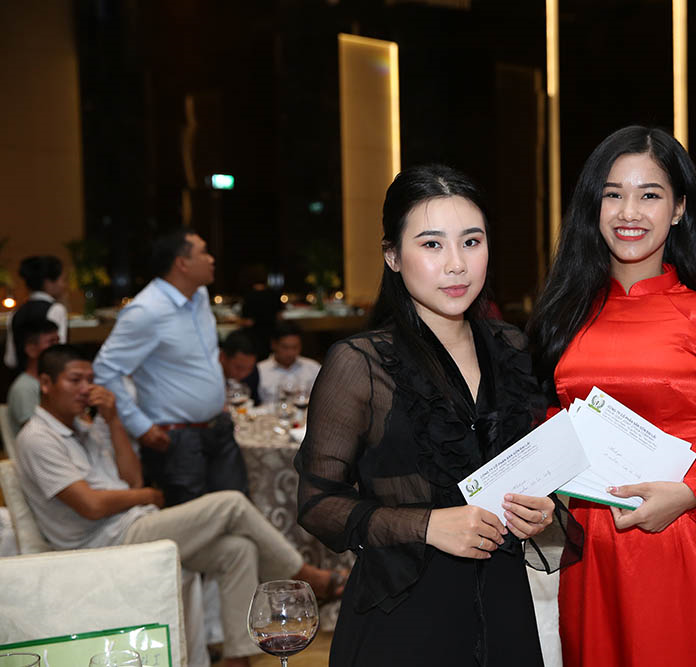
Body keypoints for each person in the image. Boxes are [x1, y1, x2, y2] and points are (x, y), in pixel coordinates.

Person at [526, 125, 696, 666]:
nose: (630, 212)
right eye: (613, 194)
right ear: (593, 206)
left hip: (686, 535)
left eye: (649, 195)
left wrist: (692, 494)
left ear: (678, 209)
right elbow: (553, 428)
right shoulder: (563, 317)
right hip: (591, 546)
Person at [295, 164, 575, 667]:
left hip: (504, 606)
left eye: (471, 242)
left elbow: (524, 465)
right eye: (431, 244)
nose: (456, 265)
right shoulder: (361, 363)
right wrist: (427, 525)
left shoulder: (511, 346)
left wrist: (539, 508)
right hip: (405, 618)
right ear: (392, 256)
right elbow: (317, 503)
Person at [15, 345, 338, 667]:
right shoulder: (38, 438)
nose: (86, 388)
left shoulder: (86, 427)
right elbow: (91, 506)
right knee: (231, 503)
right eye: (75, 380)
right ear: (46, 383)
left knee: (238, 549)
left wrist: (113, 422)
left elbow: (132, 479)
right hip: (102, 541)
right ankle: (310, 577)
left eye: (90, 379)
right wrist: (147, 496)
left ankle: (237, 659)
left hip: (132, 525)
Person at [93, 229, 247, 507]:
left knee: (237, 511)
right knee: (193, 522)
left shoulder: (199, 295)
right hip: (178, 438)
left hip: (219, 427)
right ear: (182, 263)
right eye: (203, 252)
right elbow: (105, 369)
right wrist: (140, 426)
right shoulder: (146, 311)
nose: (212, 259)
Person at [4, 255, 68, 369]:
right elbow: (60, 354)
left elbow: (10, 360)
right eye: (63, 280)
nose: (64, 285)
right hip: (48, 375)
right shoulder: (56, 309)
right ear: (48, 283)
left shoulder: (16, 313)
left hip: (23, 375)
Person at [6, 319, 61, 432]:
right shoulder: (24, 388)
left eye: (58, 341)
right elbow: (33, 432)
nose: (58, 348)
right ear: (31, 349)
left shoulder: (53, 381)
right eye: (51, 342)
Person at [256, 321, 321, 404]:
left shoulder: (313, 367)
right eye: (285, 347)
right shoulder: (259, 370)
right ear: (273, 345)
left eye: (295, 347)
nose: (290, 353)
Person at [219, 330, 261, 405]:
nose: (243, 374)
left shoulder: (252, 373)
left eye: (249, 368)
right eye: (239, 368)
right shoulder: (209, 377)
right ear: (222, 357)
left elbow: (255, 403)